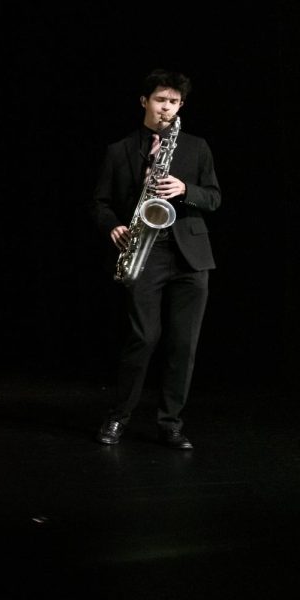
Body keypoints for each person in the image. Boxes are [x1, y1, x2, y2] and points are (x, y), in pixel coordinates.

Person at [92, 69, 221, 449]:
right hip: (145, 249)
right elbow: (98, 203)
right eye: (161, 100)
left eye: (174, 102)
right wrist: (113, 226)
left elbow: (214, 197)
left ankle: (171, 424)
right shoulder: (120, 150)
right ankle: (118, 418)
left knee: (184, 345)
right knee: (142, 338)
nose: (167, 108)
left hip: (190, 255)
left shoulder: (196, 147)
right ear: (144, 102)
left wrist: (186, 189)